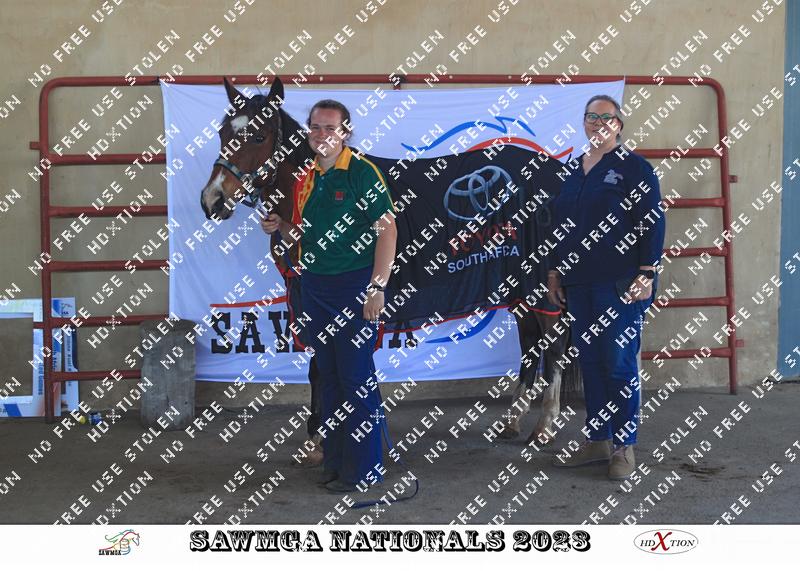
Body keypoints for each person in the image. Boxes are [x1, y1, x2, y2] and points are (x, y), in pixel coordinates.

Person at [260, 99, 397, 493]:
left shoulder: (362, 173)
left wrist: (377, 287)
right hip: (316, 287)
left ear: (346, 132)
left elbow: (387, 231)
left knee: (356, 379)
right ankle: (336, 463)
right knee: (330, 379)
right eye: (316, 127)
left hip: (353, 288)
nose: (322, 134)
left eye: (330, 128)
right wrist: (280, 226)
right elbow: (305, 236)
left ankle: (365, 470)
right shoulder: (307, 179)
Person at [547, 94, 666, 480]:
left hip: (621, 284)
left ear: (619, 125)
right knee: (592, 363)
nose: (598, 123)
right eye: (591, 117)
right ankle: (597, 440)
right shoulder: (573, 169)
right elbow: (560, 224)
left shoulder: (634, 168)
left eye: (606, 117)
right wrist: (555, 272)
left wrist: (646, 272)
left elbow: (652, 221)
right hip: (579, 283)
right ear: (583, 123)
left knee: (618, 364)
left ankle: (623, 447)